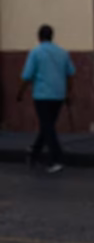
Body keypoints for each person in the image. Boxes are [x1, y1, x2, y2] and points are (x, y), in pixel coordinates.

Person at [16, 24, 75, 174]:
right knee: (47, 125)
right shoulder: (62, 53)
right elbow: (70, 74)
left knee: (47, 126)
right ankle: (34, 152)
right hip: (58, 95)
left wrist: (20, 93)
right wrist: (69, 92)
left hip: (42, 95)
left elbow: (27, 76)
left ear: (39, 36)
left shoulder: (35, 52)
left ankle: (56, 158)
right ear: (52, 36)